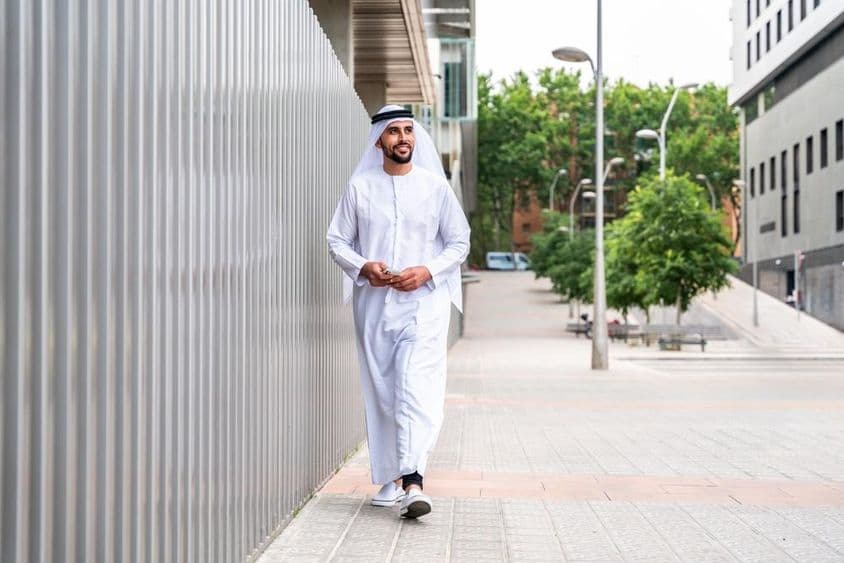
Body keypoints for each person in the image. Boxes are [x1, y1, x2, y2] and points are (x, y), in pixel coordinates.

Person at [326, 105, 470, 518]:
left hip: (425, 305)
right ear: (379, 141)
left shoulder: (435, 188)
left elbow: (459, 242)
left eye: (409, 130)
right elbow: (337, 241)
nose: (403, 137)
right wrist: (363, 267)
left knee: (414, 387)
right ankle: (393, 476)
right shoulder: (360, 188)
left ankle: (413, 482)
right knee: (385, 392)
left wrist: (427, 270)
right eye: (394, 131)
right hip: (374, 307)